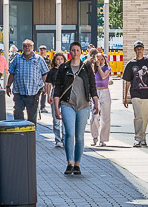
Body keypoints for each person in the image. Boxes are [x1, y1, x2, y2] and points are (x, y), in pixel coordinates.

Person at [53, 42, 97, 176]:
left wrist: (96, 103)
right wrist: (56, 108)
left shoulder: (86, 67)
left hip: (83, 105)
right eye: (73, 50)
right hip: (68, 104)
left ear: (81, 52)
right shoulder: (64, 68)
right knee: (69, 133)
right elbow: (58, 88)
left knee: (79, 136)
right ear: (70, 52)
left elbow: (92, 86)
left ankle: (77, 164)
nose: (75, 53)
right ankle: (69, 163)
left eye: (77, 50)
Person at [122, 40, 148, 147]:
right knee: (138, 116)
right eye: (137, 49)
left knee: (145, 116)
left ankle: (143, 136)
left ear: (143, 49)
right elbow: (127, 81)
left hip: (147, 92)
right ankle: (137, 138)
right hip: (135, 92)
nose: (139, 50)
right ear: (134, 50)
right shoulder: (131, 64)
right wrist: (125, 97)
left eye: (140, 48)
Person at [6, 38, 50, 123]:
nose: (27, 48)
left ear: (32, 47)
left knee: (32, 116)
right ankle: (19, 130)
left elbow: (44, 74)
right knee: (18, 113)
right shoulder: (17, 59)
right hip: (19, 91)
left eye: (29, 46)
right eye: (25, 46)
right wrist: (8, 86)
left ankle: (31, 131)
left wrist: (46, 87)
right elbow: (11, 73)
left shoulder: (39, 59)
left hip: (33, 92)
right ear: (22, 48)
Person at [89, 47, 113, 147]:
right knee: (94, 116)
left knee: (105, 117)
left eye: (102, 59)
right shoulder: (93, 70)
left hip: (105, 91)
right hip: (96, 92)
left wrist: (98, 66)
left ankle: (103, 139)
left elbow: (103, 76)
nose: (100, 61)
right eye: (98, 59)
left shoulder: (107, 68)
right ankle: (95, 136)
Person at [44, 51, 67, 148]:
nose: (60, 61)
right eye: (58, 59)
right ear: (54, 61)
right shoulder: (52, 71)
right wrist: (48, 95)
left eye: (61, 59)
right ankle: (58, 139)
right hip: (55, 93)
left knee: (66, 118)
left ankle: (65, 139)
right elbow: (48, 84)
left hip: (65, 94)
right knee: (56, 118)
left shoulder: (67, 70)